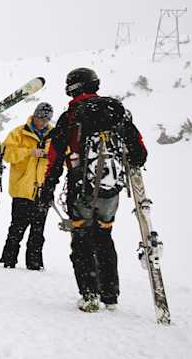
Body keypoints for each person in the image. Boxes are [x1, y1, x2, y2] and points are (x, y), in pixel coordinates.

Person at [38, 68, 147, 312]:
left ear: (72, 88)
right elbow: (140, 153)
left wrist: (48, 187)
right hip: (111, 190)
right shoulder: (116, 112)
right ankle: (110, 295)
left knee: (81, 240)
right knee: (104, 239)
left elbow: (54, 157)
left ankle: (89, 295)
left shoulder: (71, 116)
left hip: (81, 189)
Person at [0, 101, 55, 270]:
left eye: (46, 119)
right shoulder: (19, 132)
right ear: (35, 116)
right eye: (41, 118)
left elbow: (63, 155)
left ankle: (35, 264)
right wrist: (29, 152)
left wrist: (49, 155)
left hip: (43, 190)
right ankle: (8, 261)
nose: (43, 122)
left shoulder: (55, 135)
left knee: (38, 231)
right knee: (17, 229)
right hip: (22, 189)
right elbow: (6, 153)